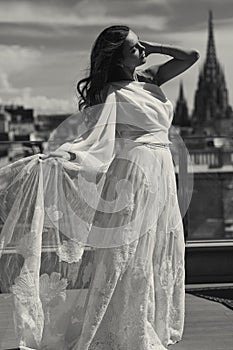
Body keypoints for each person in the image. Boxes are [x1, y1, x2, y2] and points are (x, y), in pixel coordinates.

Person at [0, 25, 199, 350]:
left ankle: (144, 319)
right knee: (127, 254)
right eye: (133, 48)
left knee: (155, 250)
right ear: (117, 59)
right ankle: (123, 328)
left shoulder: (150, 79)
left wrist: (152, 45)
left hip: (162, 171)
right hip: (135, 174)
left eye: (140, 46)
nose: (141, 51)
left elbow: (191, 56)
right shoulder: (112, 92)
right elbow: (95, 139)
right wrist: (63, 156)